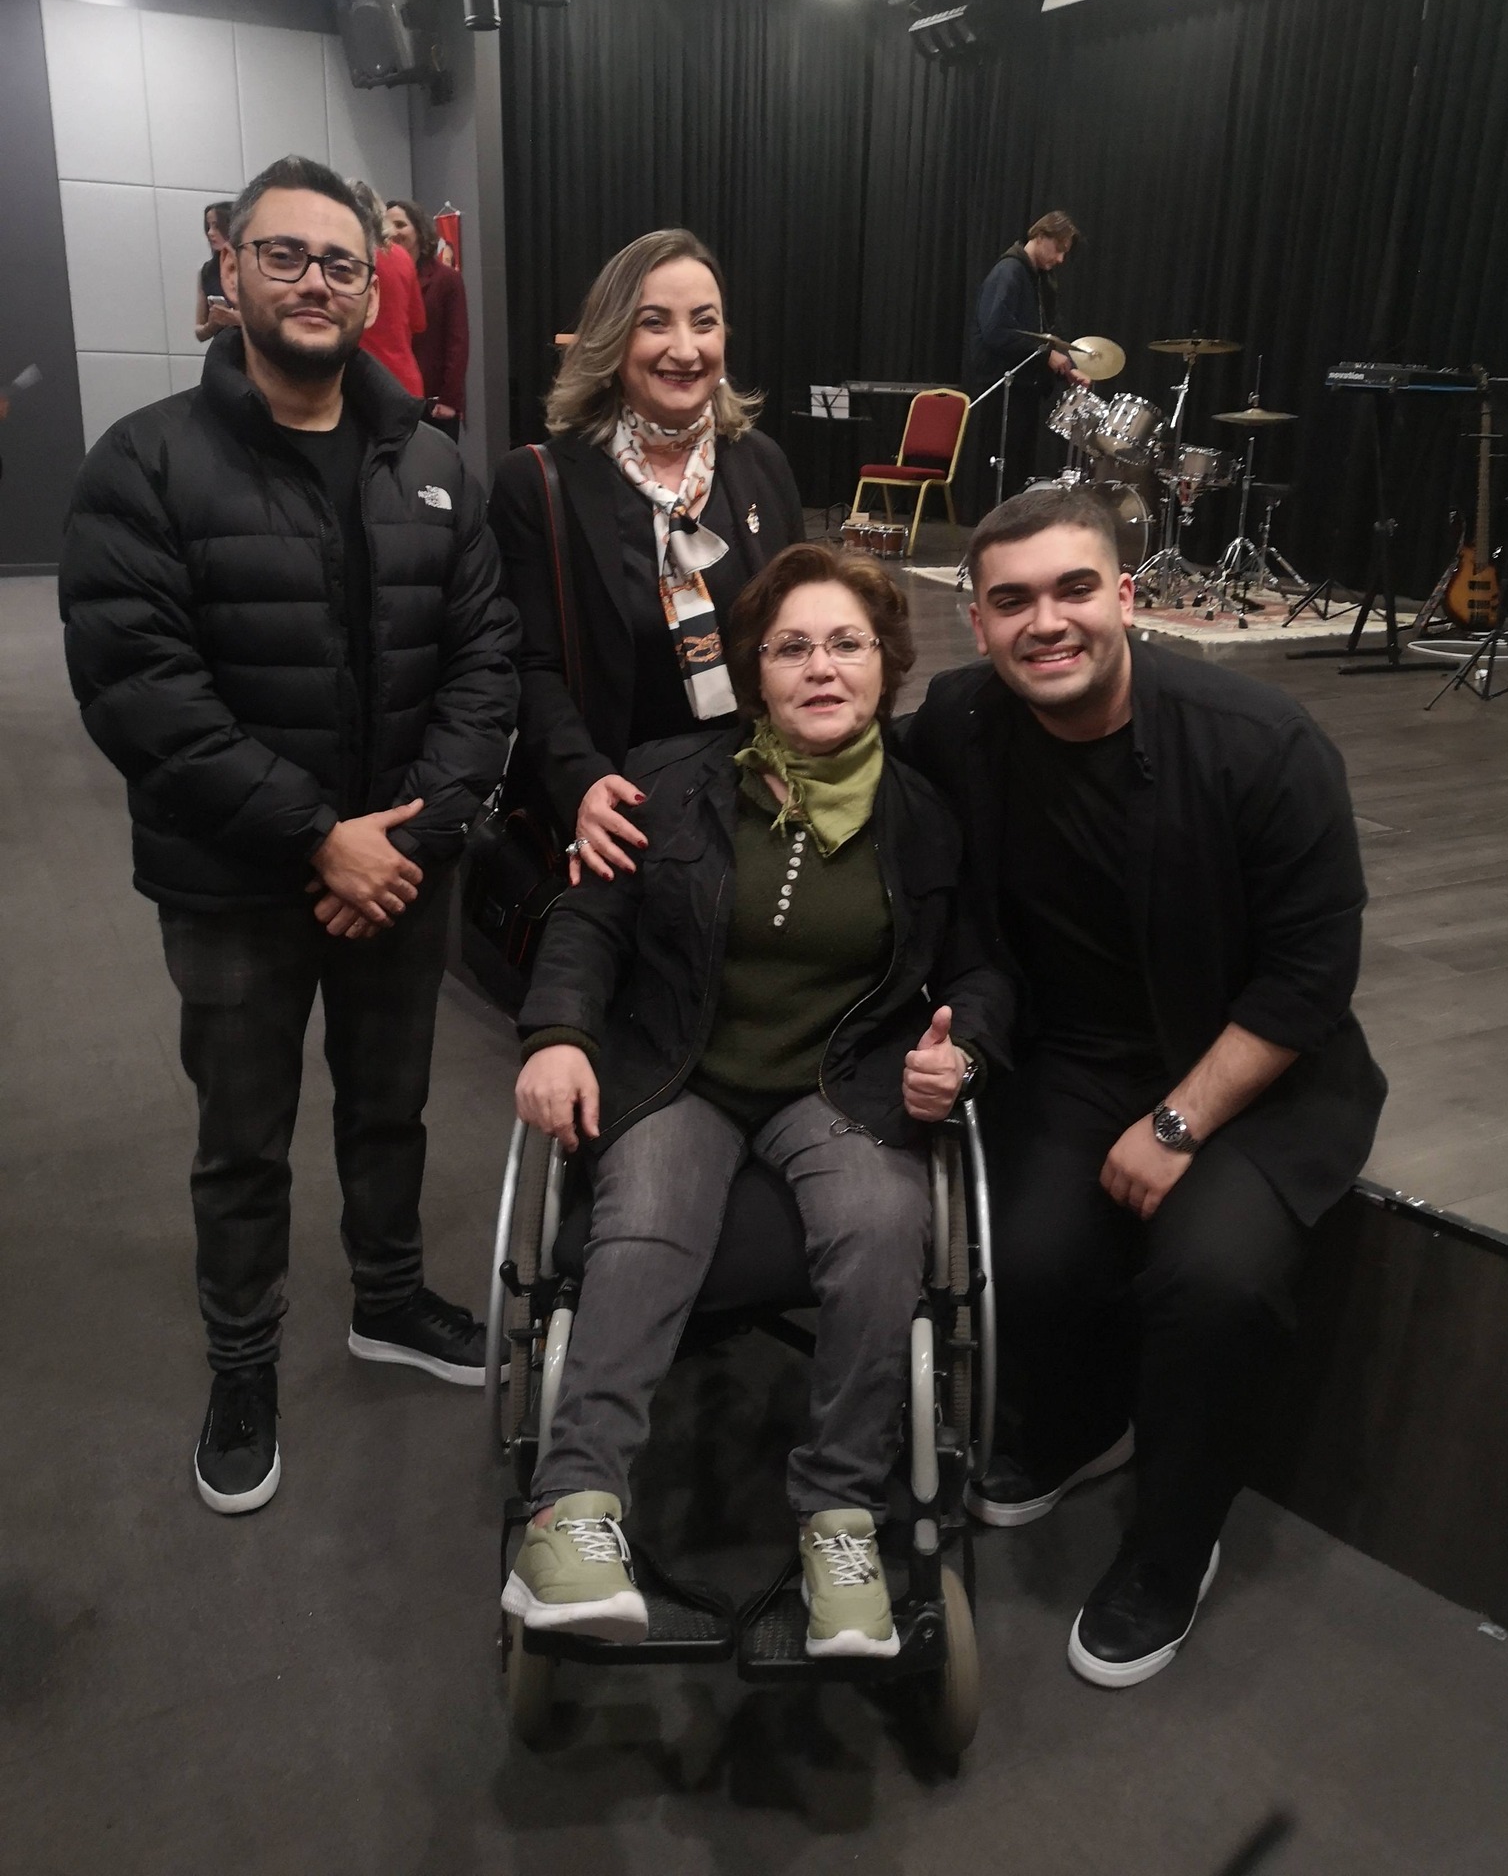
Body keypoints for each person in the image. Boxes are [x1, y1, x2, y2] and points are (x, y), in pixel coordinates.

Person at [59, 153, 520, 1518]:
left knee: (390, 1108)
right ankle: (243, 1363)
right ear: (231, 268)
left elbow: (484, 662)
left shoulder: (429, 463)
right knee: (242, 1138)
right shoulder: (144, 460)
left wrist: (409, 840)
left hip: (401, 872)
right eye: (285, 255)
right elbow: (142, 693)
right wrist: (323, 839)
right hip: (235, 883)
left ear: (371, 286)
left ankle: (389, 1298)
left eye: (341, 262)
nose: (316, 281)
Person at [901, 483, 1386, 1688]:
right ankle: (1082, 1428)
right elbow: (842, 765)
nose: (1046, 622)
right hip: (1078, 1053)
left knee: (1213, 1279)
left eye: (1075, 588)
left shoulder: (1262, 743)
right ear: (976, 619)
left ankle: (1174, 1543)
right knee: (1031, 1250)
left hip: (1258, 1068)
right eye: (1013, 599)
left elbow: (1309, 978)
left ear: (1126, 594)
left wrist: (1177, 1123)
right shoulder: (961, 719)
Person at [502, 544, 1011, 1654]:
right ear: (754, 672)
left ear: (887, 665)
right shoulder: (667, 778)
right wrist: (558, 1034)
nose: (821, 667)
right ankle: (572, 1508)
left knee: (884, 1224)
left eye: (847, 644)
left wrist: (963, 1052)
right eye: (792, 647)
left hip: (839, 1077)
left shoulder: (927, 816)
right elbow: (589, 921)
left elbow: (978, 970)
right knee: (645, 1217)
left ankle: (841, 1513)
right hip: (680, 1066)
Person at [488, 227, 803, 888]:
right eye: (654, 322)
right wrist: (582, 783)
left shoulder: (762, 465)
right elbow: (530, 666)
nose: (684, 349)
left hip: (748, 808)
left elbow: (796, 633)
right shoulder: (537, 483)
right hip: (614, 817)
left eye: (704, 323)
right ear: (612, 339)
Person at [966, 210, 1086, 507]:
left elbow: (1049, 333)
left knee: (1018, 475)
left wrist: (1069, 367)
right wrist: (1046, 357)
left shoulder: (1040, 279)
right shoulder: (1008, 272)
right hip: (1004, 389)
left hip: (1025, 388)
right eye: (1058, 249)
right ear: (1040, 236)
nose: (1061, 259)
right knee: (1002, 477)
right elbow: (995, 331)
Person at [385, 198, 469, 441]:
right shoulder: (379, 276)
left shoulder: (447, 279)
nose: (393, 232)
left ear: (419, 230)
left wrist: (450, 399)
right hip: (390, 398)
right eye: (387, 226)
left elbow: (457, 343)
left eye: (401, 224)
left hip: (433, 403)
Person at [350, 179, 426, 398]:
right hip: (405, 382)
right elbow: (418, 322)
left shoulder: (351, 259)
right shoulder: (402, 256)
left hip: (365, 383)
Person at [193, 201, 240, 345]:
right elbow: (199, 331)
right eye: (208, 227)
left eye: (216, 226)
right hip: (222, 349)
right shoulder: (207, 271)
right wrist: (212, 325)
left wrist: (236, 319)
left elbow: (274, 322)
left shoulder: (255, 266)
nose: (210, 233)